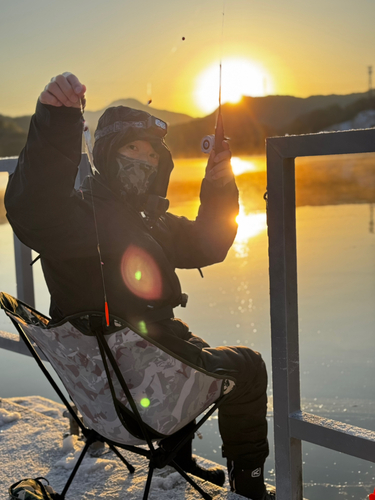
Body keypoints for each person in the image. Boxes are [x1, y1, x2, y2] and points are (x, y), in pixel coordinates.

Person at [5, 72, 274, 500]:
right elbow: (34, 207)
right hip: (143, 402)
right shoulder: (76, 219)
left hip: (98, 401)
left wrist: (220, 185)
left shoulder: (151, 221)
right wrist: (57, 121)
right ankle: (251, 485)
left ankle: (181, 461)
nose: (144, 161)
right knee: (248, 365)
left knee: (176, 349)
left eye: (152, 155)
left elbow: (210, 242)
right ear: (107, 154)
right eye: (132, 148)